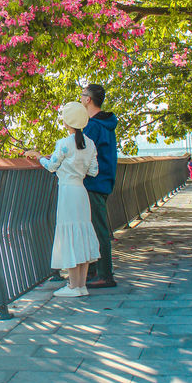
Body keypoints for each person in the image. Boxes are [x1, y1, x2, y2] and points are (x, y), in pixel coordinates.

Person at [28, 101, 100, 297]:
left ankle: (72, 286)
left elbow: (52, 166)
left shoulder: (64, 144)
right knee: (81, 235)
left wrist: (38, 157)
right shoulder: (90, 144)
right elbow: (93, 171)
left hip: (67, 193)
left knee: (69, 236)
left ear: (67, 123)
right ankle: (81, 285)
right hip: (81, 192)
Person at [81, 83, 118, 289]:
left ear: (88, 99)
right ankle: (96, 270)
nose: (81, 98)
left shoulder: (93, 126)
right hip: (104, 179)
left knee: (98, 228)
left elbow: (81, 152)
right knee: (95, 227)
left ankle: (104, 274)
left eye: (82, 95)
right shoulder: (106, 123)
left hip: (95, 181)